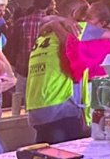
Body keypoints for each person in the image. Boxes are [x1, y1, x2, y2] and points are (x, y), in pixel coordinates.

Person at [26, 14, 86, 143]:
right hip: (60, 108)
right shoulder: (76, 29)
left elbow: (44, 21)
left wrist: (55, 23)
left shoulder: (43, 36)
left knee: (45, 157)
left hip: (38, 108)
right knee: (66, 158)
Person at [4, 0, 56, 113]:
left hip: (22, 68)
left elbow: (13, 46)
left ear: (34, 3)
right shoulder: (52, 23)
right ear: (49, 5)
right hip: (41, 69)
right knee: (35, 102)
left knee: (18, 98)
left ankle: (15, 124)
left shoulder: (21, 22)